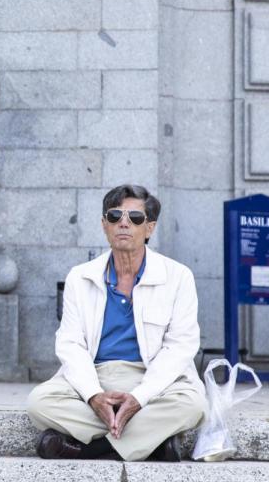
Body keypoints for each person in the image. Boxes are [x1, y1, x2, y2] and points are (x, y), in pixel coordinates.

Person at [26, 185, 206, 462]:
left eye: (135, 217)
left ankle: (89, 449)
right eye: (114, 216)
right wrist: (93, 395)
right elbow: (70, 343)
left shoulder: (178, 276)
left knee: (193, 405)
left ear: (149, 228)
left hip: (151, 375)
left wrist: (140, 397)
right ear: (104, 225)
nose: (123, 223)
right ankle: (154, 445)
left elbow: (181, 346)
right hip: (96, 373)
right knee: (39, 403)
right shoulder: (80, 277)